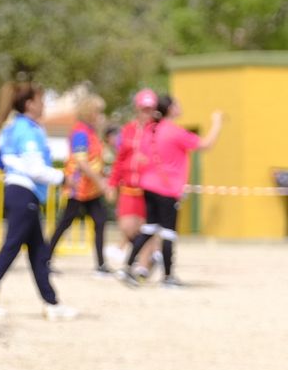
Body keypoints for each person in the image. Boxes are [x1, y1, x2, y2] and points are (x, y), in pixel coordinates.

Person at [0, 85, 79, 320]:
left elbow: (1, 159)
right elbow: (35, 169)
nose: (44, 105)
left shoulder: (13, 128)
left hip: (20, 192)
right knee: (11, 248)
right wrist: (63, 178)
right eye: (41, 100)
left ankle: (52, 303)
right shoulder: (28, 131)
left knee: (38, 252)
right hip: (24, 193)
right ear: (30, 104)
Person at [121, 95, 224, 288]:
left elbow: (141, 157)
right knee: (168, 233)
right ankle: (168, 277)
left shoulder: (151, 130)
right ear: (170, 109)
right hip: (167, 188)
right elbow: (206, 144)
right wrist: (217, 123)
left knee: (149, 229)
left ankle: (127, 267)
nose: (179, 106)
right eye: (176, 104)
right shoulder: (175, 132)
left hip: (148, 186)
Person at [46, 94, 111, 275]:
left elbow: (95, 159)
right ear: (90, 113)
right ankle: (45, 259)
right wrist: (101, 182)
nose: (101, 116)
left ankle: (101, 264)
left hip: (92, 189)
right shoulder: (81, 132)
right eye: (98, 112)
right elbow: (81, 162)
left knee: (100, 221)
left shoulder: (91, 132)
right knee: (65, 222)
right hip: (79, 188)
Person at [108, 88, 159, 272]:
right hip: (129, 188)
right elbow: (120, 159)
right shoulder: (128, 130)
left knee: (146, 229)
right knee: (127, 227)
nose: (147, 113)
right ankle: (151, 255)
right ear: (137, 109)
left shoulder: (157, 131)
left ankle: (143, 266)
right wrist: (112, 183)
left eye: (150, 109)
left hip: (149, 189)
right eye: (143, 109)